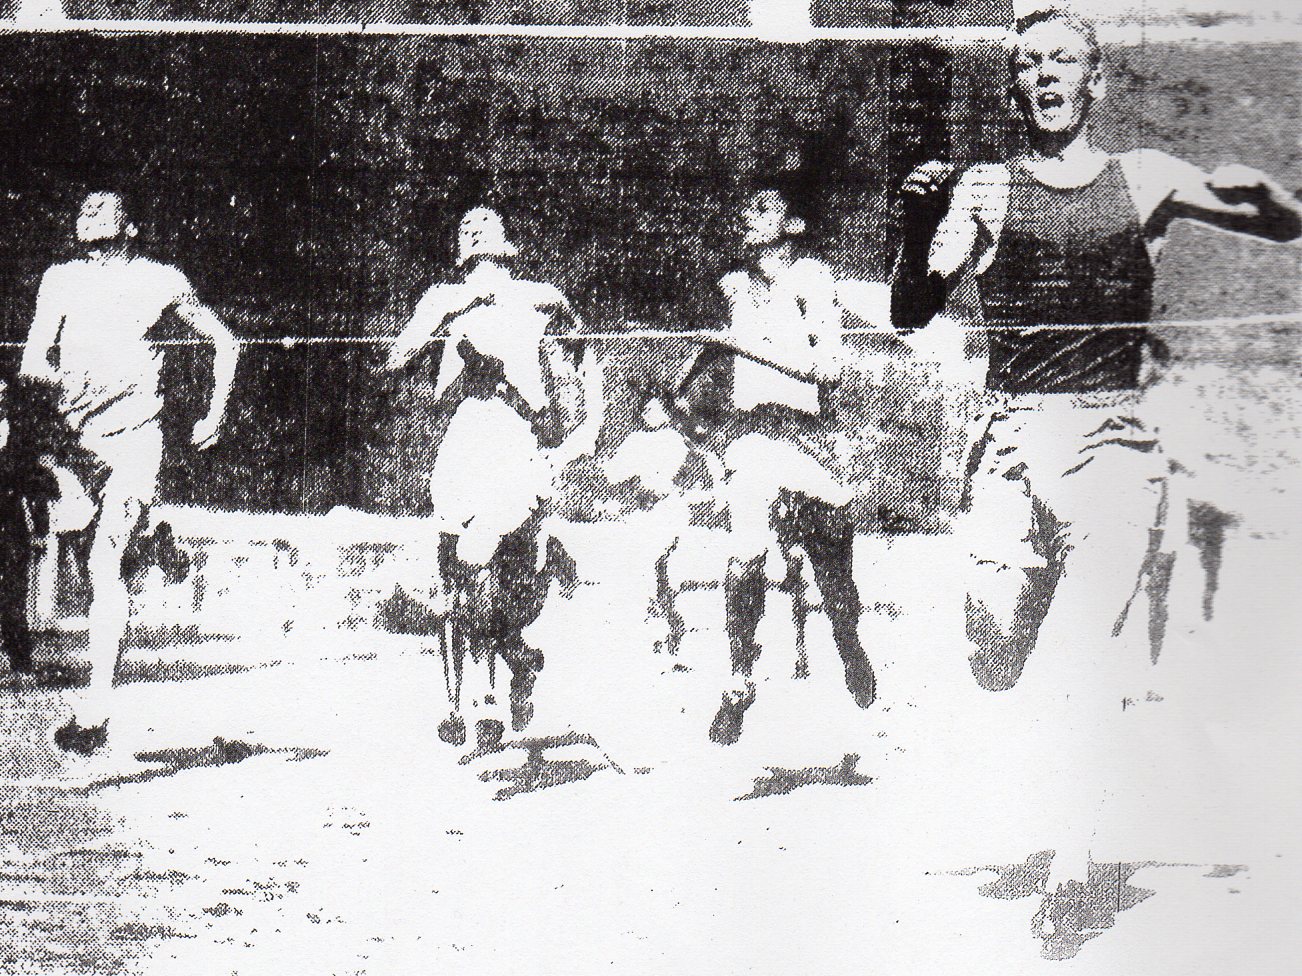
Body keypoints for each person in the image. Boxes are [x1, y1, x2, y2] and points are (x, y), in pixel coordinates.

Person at [890, 5, 1301, 936]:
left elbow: (1279, 227)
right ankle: (1007, 660)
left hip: (1112, 446)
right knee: (996, 658)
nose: (1044, 75)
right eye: (1028, 62)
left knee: (1086, 657)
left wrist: (1271, 200)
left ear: (1096, 81)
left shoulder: (1147, 177)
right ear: (1013, 87)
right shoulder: (986, 188)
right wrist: (916, 219)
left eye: (1063, 60)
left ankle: (1071, 874)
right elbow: (912, 309)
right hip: (1008, 443)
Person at [19, 190, 240, 763]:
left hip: (136, 437)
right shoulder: (60, 279)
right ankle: (152, 539)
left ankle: (96, 711)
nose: (89, 211)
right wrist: (59, 380)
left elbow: (224, 341)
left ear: (131, 225)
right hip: (75, 442)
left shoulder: (160, 280)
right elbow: (32, 360)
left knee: (102, 562)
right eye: (83, 207)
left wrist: (214, 413)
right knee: (83, 551)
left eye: (104, 205)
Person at [386, 206, 599, 757]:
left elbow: (581, 353)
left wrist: (570, 408)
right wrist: (447, 314)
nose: (475, 231)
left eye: (486, 226)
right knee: (454, 573)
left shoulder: (541, 297)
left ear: (506, 243)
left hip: (517, 436)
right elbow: (396, 357)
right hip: (465, 434)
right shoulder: (442, 297)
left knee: (495, 567)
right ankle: (470, 698)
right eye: (466, 227)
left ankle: (499, 679)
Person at [684, 186, 876, 746]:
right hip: (752, 435)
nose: (748, 216)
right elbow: (710, 346)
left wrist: (743, 348)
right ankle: (739, 677)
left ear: (792, 225)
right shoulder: (732, 284)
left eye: (764, 209)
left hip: (806, 433)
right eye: (746, 209)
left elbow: (828, 366)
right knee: (745, 544)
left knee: (832, 562)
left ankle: (847, 640)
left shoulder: (813, 280)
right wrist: (685, 381)